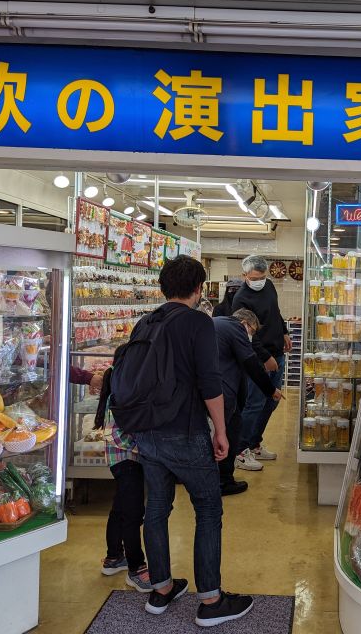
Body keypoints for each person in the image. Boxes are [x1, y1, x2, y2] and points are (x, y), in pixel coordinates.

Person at [130, 255, 253, 626]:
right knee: (208, 508)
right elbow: (210, 382)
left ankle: (161, 588)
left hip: (146, 432)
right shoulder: (199, 323)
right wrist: (221, 430)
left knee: (156, 508)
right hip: (184, 430)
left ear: (163, 286)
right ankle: (211, 600)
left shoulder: (144, 322)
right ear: (199, 289)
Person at [94, 347, 151, 592]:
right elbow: (117, 433)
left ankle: (114, 557)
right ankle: (136, 568)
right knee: (132, 513)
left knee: (120, 507)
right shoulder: (123, 390)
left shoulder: (121, 385)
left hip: (121, 459)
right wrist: (145, 447)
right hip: (126, 459)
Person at [213, 309, 283, 495]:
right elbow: (251, 364)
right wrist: (271, 390)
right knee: (231, 430)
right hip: (221, 391)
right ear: (245, 323)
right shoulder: (237, 328)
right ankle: (223, 482)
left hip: (204, 388)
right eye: (252, 331)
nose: (251, 336)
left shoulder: (218, 322)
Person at [232, 255, 291, 469]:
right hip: (258, 357)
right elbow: (247, 335)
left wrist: (284, 331)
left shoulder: (269, 286)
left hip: (277, 352)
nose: (259, 281)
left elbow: (275, 312)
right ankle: (240, 451)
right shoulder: (240, 299)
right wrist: (265, 357)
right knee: (254, 403)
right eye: (255, 278)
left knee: (272, 401)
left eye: (262, 277)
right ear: (244, 276)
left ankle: (254, 443)